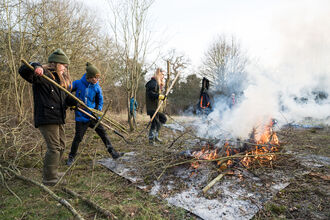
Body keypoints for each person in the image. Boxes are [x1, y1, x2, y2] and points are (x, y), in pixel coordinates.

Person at [18, 48, 77, 186]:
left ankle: (53, 172)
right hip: (46, 116)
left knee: (62, 146)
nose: (65, 68)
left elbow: (65, 99)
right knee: (54, 147)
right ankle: (49, 179)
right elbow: (23, 70)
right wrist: (36, 66)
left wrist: (74, 103)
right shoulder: (43, 75)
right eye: (63, 65)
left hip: (58, 116)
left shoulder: (62, 80)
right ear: (56, 64)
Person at [66, 62, 123, 166]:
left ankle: (113, 153)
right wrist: (73, 103)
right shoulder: (77, 83)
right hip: (81, 117)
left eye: (97, 78)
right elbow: (66, 93)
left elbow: (100, 101)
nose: (96, 80)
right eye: (95, 78)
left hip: (93, 116)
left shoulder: (97, 87)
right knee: (78, 138)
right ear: (89, 77)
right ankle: (71, 157)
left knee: (103, 135)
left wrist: (97, 111)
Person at [145, 68, 167, 145]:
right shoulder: (153, 83)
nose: (163, 77)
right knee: (154, 123)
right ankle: (151, 140)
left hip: (157, 108)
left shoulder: (158, 84)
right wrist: (159, 96)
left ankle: (156, 136)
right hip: (152, 107)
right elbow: (151, 94)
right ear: (158, 74)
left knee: (163, 119)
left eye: (164, 75)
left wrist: (161, 97)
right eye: (162, 75)